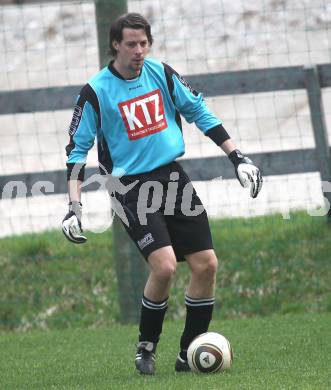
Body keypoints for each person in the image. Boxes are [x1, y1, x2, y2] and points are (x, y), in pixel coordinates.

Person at [62, 12, 262, 375]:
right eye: (131, 44)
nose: (139, 51)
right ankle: (146, 348)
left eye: (144, 43)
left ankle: (190, 354)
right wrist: (73, 207)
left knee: (207, 264)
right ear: (115, 45)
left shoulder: (162, 73)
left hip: (172, 177)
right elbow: (77, 151)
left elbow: (198, 111)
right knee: (165, 266)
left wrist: (238, 157)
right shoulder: (95, 91)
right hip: (129, 187)